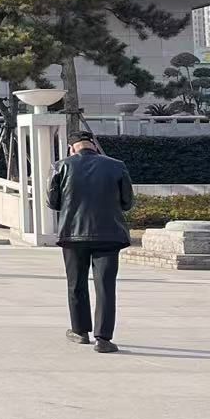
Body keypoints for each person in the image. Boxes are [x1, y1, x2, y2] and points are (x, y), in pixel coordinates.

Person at [47, 134, 134, 353]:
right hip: (109, 235)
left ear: (71, 148)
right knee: (105, 287)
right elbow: (127, 202)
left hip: (73, 235)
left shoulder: (60, 166)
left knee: (76, 284)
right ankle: (103, 339)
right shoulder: (117, 166)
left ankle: (80, 331)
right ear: (94, 146)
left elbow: (53, 202)